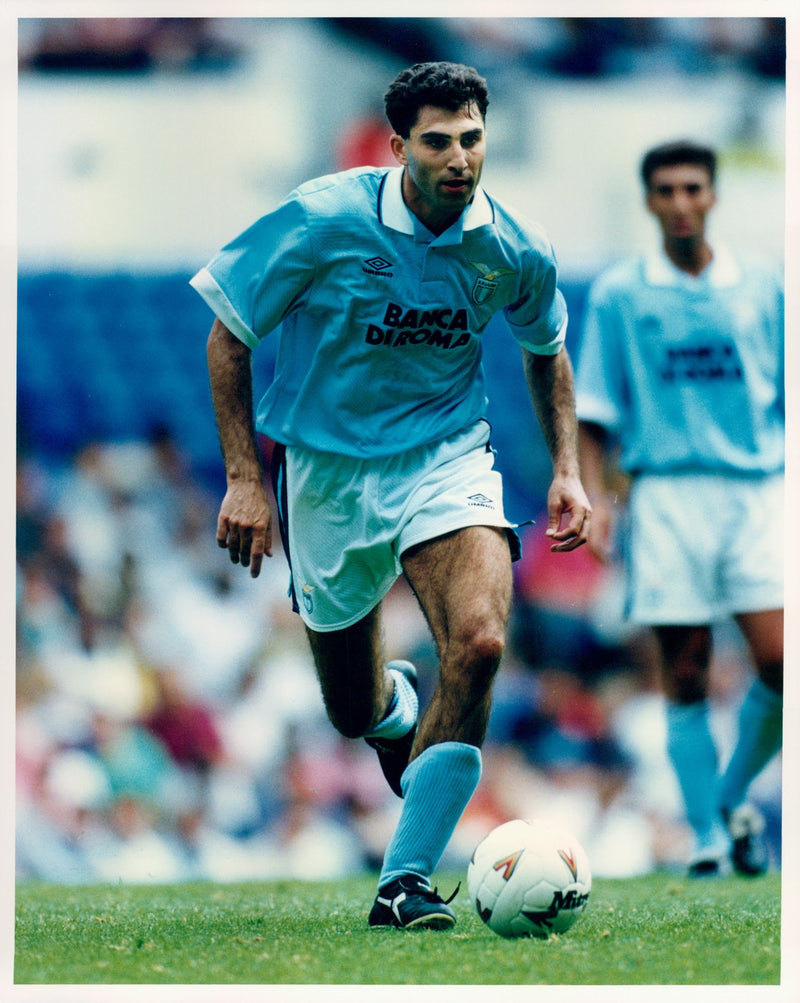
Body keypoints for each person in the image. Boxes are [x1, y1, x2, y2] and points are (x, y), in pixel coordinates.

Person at [192, 61, 590, 928]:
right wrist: (245, 478)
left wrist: (565, 467)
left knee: (481, 642)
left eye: (472, 138)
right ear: (399, 144)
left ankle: (403, 880)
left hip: (446, 458)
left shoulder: (513, 245)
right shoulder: (322, 218)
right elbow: (229, 337)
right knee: (351, 710)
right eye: (438, 140)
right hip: (327, 471)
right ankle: (394, 710)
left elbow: (545, 344)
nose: (458, 158)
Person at [575, 140, 783, 878]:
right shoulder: (621, 295)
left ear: (713, 195)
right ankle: (705, 835)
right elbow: (594, 406)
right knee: (685, 670)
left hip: (757, 488)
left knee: (781, 662)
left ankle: (726, 801)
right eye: (665, 189)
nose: (680, 201)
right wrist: (595, 495)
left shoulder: (765, 287)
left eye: (693, 187)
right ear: (650, 201)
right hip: (665, 493)